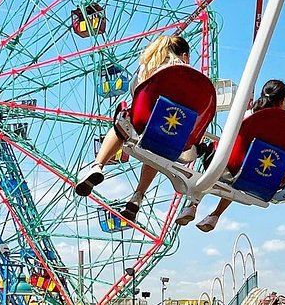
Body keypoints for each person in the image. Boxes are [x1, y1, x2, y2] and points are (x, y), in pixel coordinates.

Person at [74, 30, 212, 221]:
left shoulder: (147, 69)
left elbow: (136, 95)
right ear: (186, 56)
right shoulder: (196, 79)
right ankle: (138, 196)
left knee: (123, 120)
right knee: (158, 149)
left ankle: (98, 165)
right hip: (180, 140)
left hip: (144, 125)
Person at [177, 79, 285, 232]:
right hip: (257, 173)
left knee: (224, 160)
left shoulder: (247, 115)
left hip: (228, 165)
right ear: (284, 101)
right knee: (240, 178)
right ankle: (215, 215)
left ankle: (192, 204)